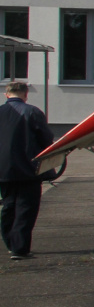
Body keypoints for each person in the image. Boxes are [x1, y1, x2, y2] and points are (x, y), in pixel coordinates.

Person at [1, 80, 54, 260]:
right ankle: (20, 247)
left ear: (6, 94)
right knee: (26, 207)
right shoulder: (32, 112)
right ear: (25, 94)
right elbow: (46, 139)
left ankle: (10, 243)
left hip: (3, 170)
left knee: (8, 205)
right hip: (28, 168)